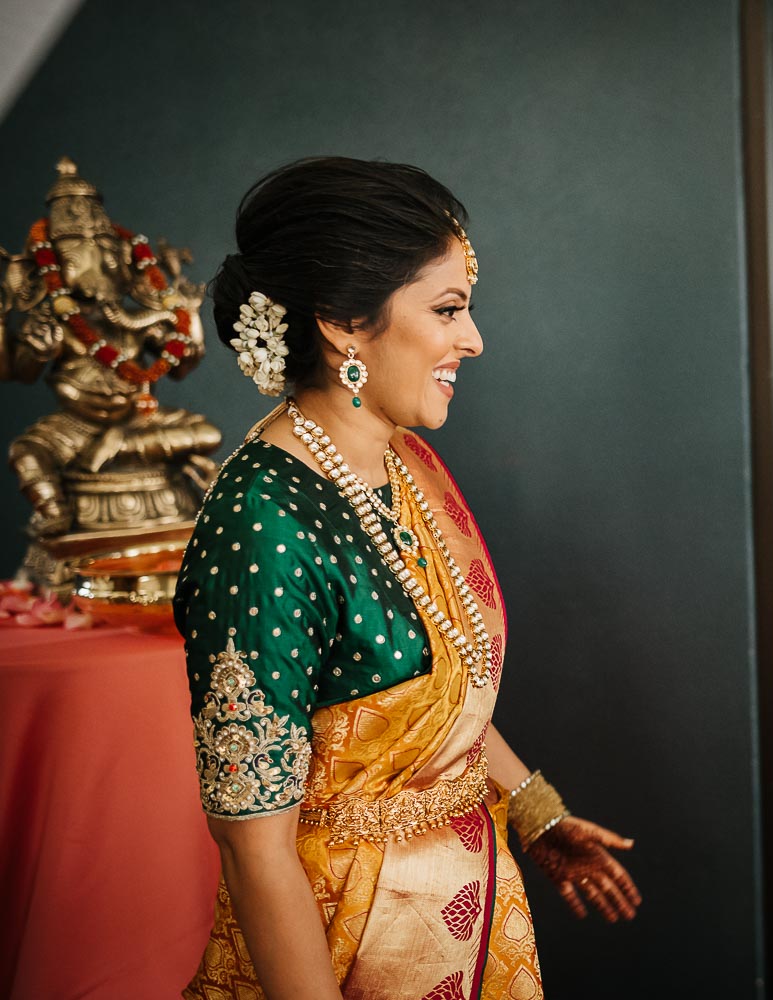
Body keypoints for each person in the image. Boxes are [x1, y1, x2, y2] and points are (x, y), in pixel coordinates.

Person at [176, 157, 640, 1000]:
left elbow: (444, 686)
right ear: (344, 323)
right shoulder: (262, 528)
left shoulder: (404, 460)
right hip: (341, 944)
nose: (474, 339)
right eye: (449, 310)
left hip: (467, 920)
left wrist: (534, 811)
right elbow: (252, 843)